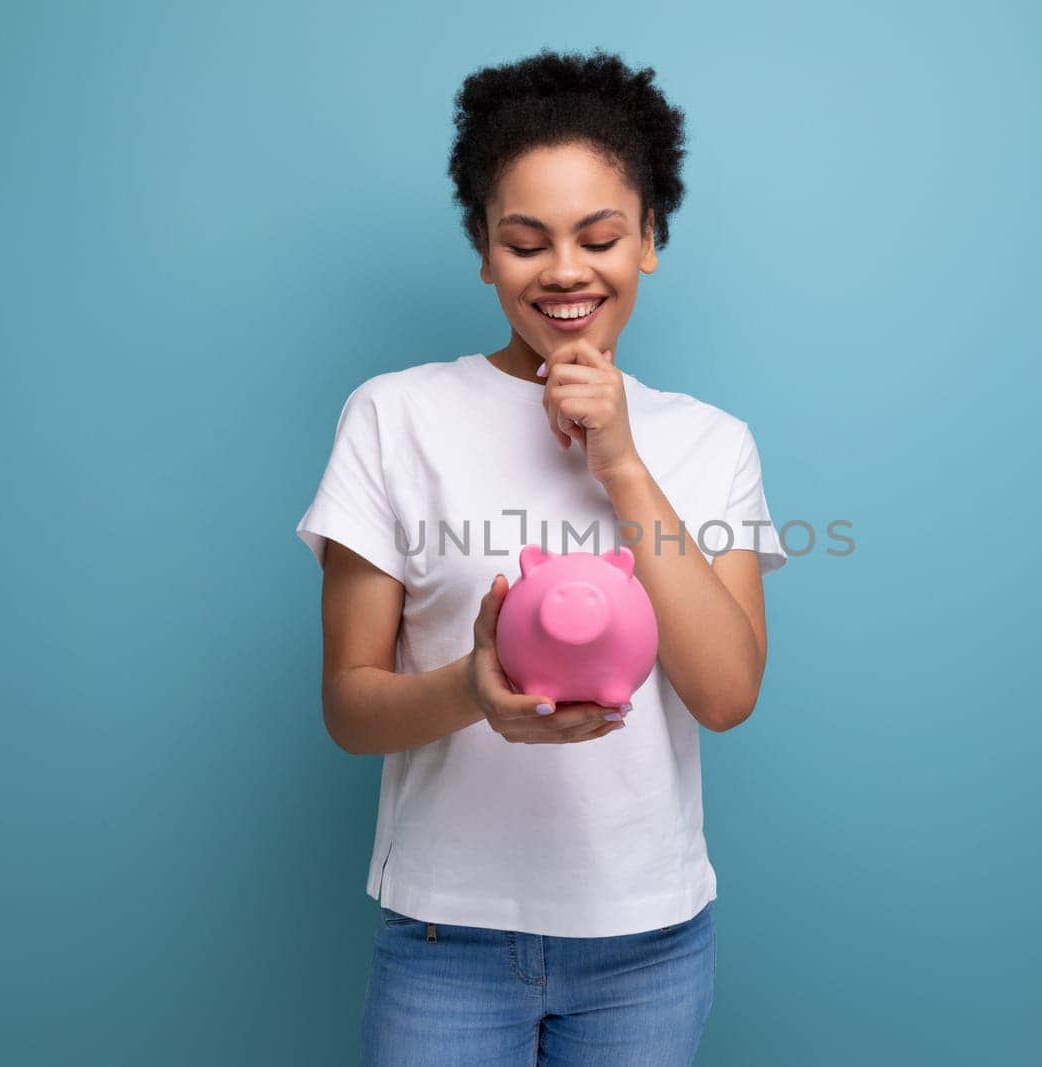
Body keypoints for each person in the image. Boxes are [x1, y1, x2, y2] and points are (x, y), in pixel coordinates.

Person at [294, 47, 787, 1066]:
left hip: (647, 944)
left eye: (600, 236)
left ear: (649, 238)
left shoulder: (709, 439)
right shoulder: (396, 415)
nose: (566, 270)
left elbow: (727, 692)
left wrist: (622, 464)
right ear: (483, 251)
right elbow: (350, 706)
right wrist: (475, 686)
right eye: (525, 242)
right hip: (446, 937)